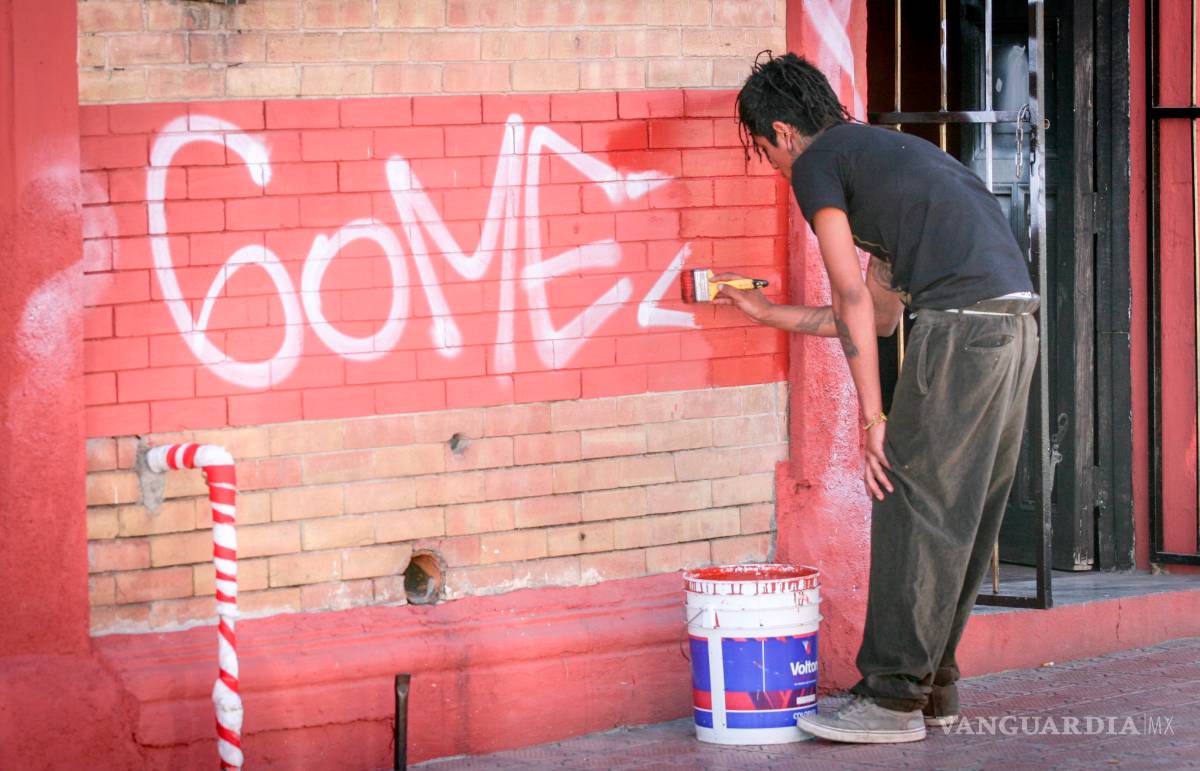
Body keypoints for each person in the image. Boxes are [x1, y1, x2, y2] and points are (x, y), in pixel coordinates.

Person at [717, 51, 1040, 744]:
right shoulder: (891, 158)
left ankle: (891, 700)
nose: (775, 168)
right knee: (959, 517)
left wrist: (873, 417)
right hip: (1013, 327)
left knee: (907, 506)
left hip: (959, 333)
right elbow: (882, 315)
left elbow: (851, 293)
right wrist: (770, 316)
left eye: (764, 152)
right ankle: (933, 690)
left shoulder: (816, 164)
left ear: (780, 131)